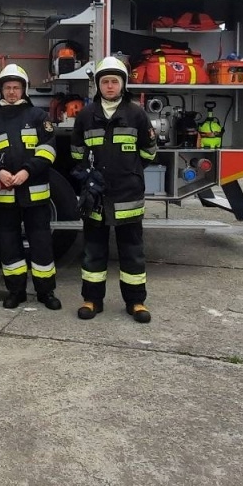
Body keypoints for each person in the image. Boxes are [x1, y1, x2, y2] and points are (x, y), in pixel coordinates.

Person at [70, 56, 157, 323]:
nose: (109, 86)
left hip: (127, 194)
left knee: (132, 251)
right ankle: (92, 299)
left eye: (114, 82)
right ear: (98, 85)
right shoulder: (86, 115)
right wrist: (88, 176)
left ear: (123, 85)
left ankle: (136, 302)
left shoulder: (136, 114)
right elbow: (76, 153)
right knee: (93, 250)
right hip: (96, 196)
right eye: (105, 81)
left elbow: (149, 152)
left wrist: (129, 171)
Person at [0, 64, 61, 310]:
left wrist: (27, 171)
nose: (12, 92)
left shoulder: (38, 117)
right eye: (7, 88)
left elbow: (49, 149)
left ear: (24, 90)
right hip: (5, 195)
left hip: (35, 194)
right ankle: (16, 291)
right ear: (1, 90)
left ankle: (46, 292)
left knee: (42, 243)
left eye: (16, 87)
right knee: (9, 244)